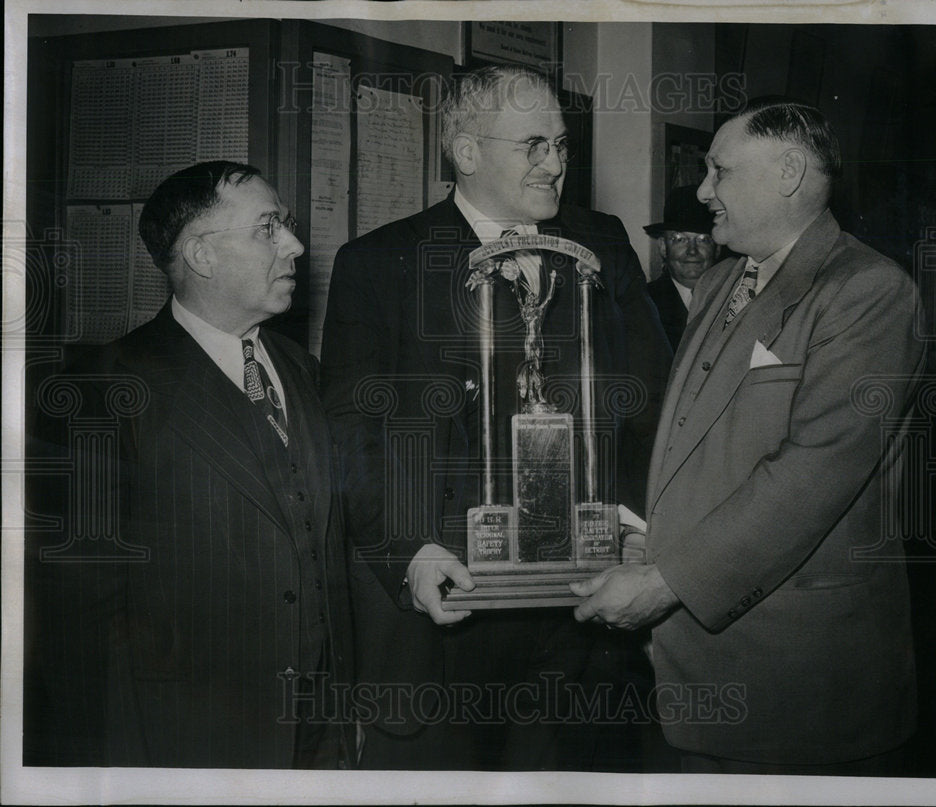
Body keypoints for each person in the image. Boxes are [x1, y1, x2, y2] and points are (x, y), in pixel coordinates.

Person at [321, 65, 671, 770]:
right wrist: (410, 551)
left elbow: (653, 403)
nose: (555, 164)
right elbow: (351, 435)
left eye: (563, 145)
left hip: (586, 613)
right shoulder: (379, 262)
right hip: (447, 614)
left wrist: (634, 525)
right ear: (467, 151)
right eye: (534, 144)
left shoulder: (602, 244)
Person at [571, 98, 923, 774]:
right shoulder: (720, 282)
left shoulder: (868, 292)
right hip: (695, 673)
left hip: (800, 684)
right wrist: (652, 534)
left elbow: (808, 478)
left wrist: (667, 579)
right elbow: (697, 440)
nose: (704, 193)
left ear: (787, 172)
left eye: (720, 171)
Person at [25, 161, 354, 769]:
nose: (296, 245)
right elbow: (81, 622)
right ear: (202, 256)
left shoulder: (302, 371)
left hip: (317, 736)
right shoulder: (103, 391)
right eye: (268, 227)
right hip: (188, 742)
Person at [643, 184, 720, 352]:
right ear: (663, 247)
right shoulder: (643, 303)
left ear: (717, 247)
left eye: (702, 240)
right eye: (680, 239)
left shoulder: (733, 299)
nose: (692, 251)